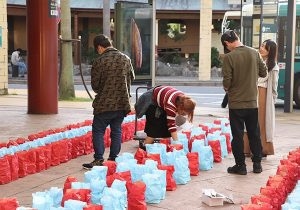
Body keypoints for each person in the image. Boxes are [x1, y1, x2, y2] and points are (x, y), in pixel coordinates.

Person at [82, 34, 135, 169]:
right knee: (116, 130)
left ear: (99, 47)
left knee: (98, 130)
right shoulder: (126, 58)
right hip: (122, 103)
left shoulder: (99, 61)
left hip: (104, 104)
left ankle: (99, 159)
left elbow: (95, 86)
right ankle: (113, 159)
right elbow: (132, 77)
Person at [221, 30, 268, 175]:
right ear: (238, 38)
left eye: (226, 45)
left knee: (238, 135)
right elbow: (264, 72)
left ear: (227, 43)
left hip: (236, 103)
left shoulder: (229, 57)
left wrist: (226, 86)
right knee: (254, 133)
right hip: (252, 102)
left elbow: (227, 82)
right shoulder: (254, 53)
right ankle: (257, 165)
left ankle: (240, 166)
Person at [257, 39, 279, 157]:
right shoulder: (258, 61)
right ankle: (251, 148)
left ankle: (262, 149)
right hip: (255, 94)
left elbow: (274, 87)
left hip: (264, 95)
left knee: (262, 122)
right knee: (253, 121)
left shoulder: (272, 66)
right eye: (261, 45)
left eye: (265, 47)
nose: (261, 48)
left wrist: (272, 101)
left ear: (270, 52)